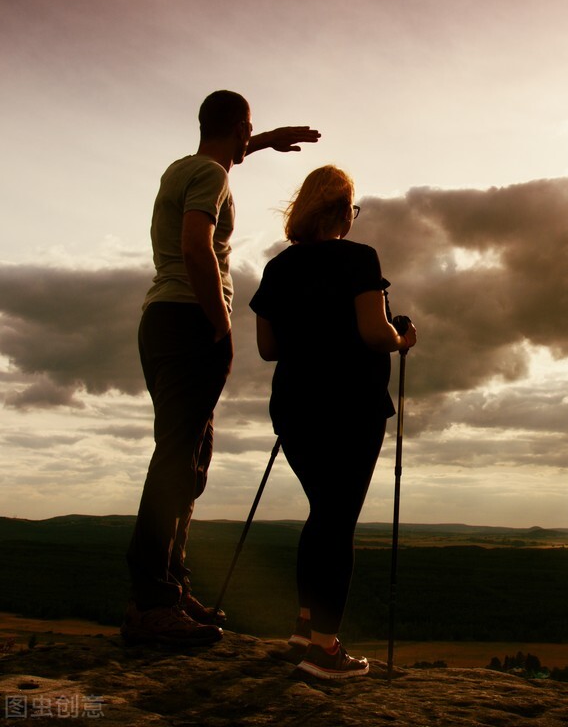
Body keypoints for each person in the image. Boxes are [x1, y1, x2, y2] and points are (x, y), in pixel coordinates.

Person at [123, 90, 321, 646]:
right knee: (177, 460)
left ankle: (170, 586)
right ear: (237, 126)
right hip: (191, 320)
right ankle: (151, 601)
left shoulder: (185, 167)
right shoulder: (212, 178)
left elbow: (222, 156)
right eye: (247, 132)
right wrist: (220, 323)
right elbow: (195, 247)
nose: (246, 142)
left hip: (161, 320)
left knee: (188, 460)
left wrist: (263, 141)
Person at [249, 164, 417, 679]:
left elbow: (268, 348)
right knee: (336, 520)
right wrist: (401, 337)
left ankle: (304, 625)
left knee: (321, 512)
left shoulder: (278, 268)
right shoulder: (359, 259)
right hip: (350, 404)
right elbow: (373, 333)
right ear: (345, 211)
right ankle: (323, 650)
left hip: (296, 406)